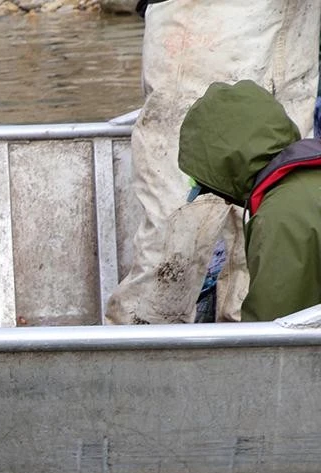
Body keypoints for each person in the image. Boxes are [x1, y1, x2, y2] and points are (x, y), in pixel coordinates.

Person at [105, 1, 320, 324]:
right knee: (187, 216)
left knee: (271, 197)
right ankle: (147, 349)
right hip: (214, 17)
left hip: (293, 21)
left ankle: (240, 346)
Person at [178, 80, 321, 321]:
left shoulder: (280, 216)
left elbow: (273, 336)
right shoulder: (307, 179)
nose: (225, 200)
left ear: (231, 170)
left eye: (216, 189)